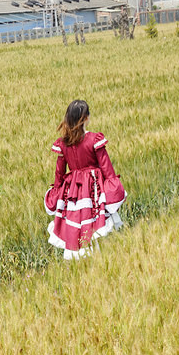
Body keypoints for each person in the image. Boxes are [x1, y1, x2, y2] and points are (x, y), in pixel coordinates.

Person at [44, 99, 127, 260]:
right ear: (86, 118)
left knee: (76, 225)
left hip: (73, 191)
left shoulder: (63, 144)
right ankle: (98, 261)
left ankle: (80, 262)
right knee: (95, 224)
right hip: (93, 189)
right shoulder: (94, 140)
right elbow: (107, 168)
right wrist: (113, 189)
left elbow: (59, 174)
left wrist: (56, 193)